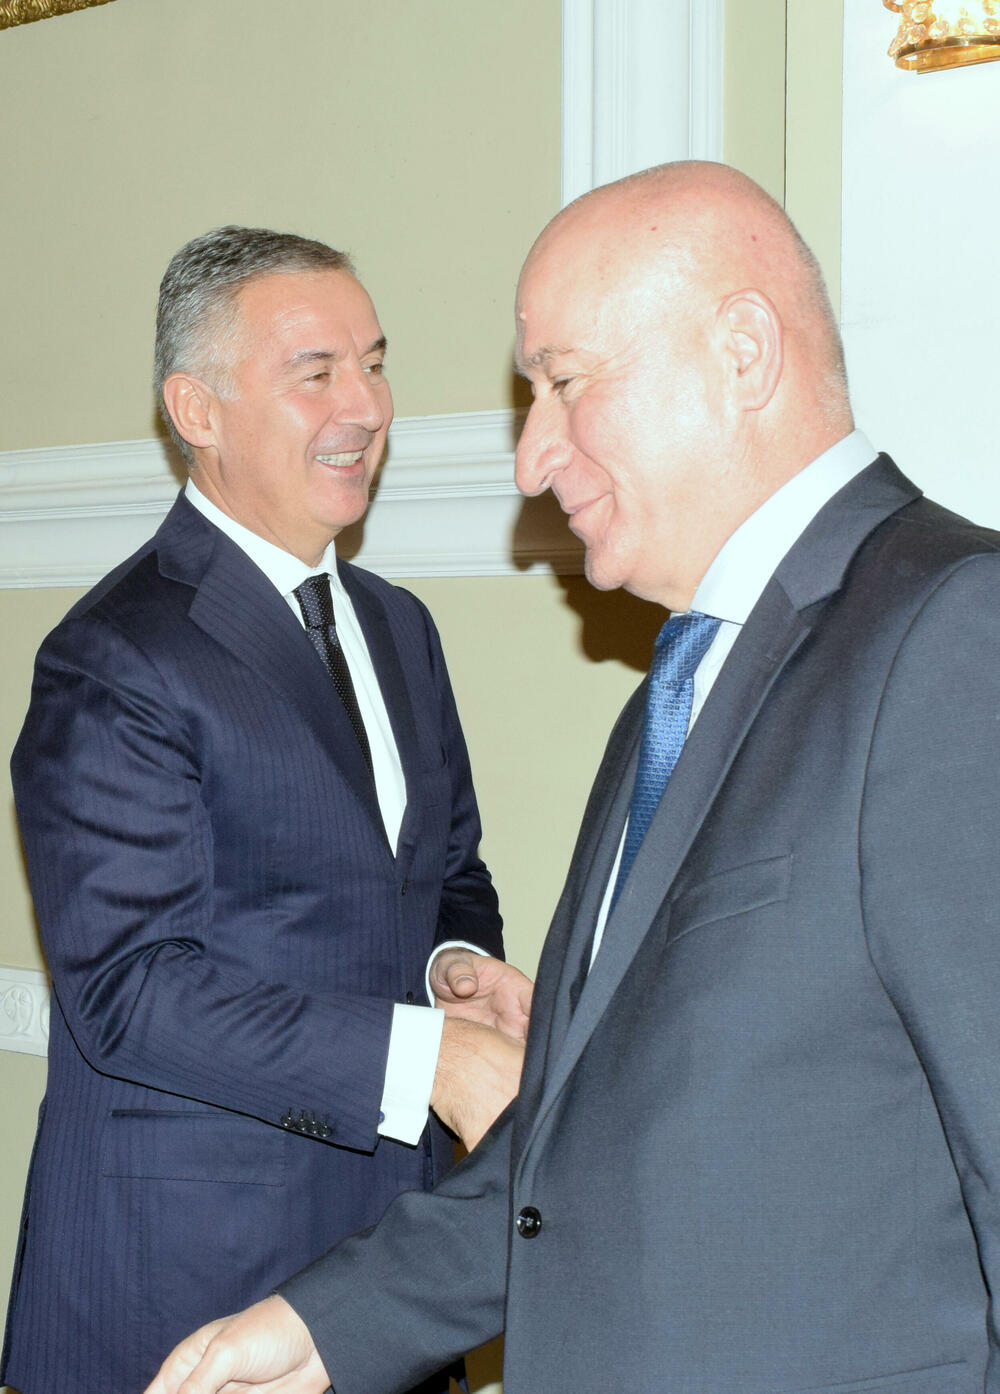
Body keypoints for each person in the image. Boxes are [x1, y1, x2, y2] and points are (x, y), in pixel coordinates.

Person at [148, 162, 1000, 1394]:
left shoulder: (955, 634)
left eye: (563, 382)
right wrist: (325, 1325)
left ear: (742, 352)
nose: (530, 457)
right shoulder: (676, 688)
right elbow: (573, 1145)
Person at [2, 226, 530, 1394]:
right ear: (197, 409)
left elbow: (447, 872)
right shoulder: (113, 656)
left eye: (374, 364)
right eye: (316, 372)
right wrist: (430, 1058)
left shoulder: (399, 627)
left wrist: (451, 965)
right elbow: (130, 991)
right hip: (184, 1292)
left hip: (390, 1279)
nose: (366, 406)